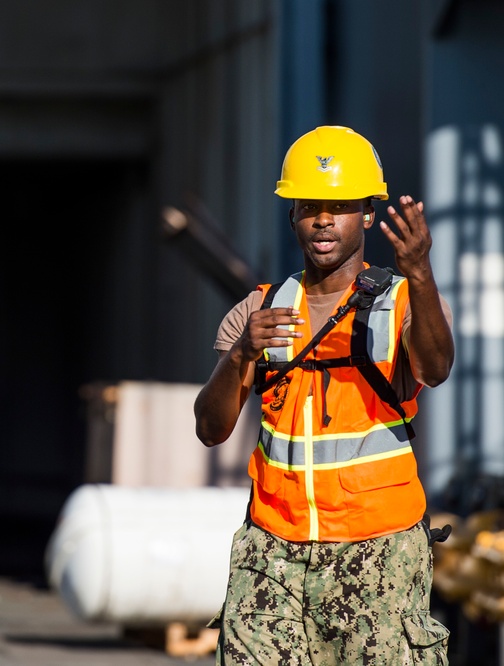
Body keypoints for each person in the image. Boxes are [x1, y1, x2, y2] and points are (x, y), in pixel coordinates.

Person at [193, 125, 455, 664]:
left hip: (377, 551)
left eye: (338, 206)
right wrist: (241, 353)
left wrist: (422, 275)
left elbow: (436, 367)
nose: (321, 219)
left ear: (365, 214)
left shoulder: (404, 301)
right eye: (308, 205)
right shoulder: (260, 310)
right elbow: (209, 429)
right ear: (292, 215)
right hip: (271, 551)